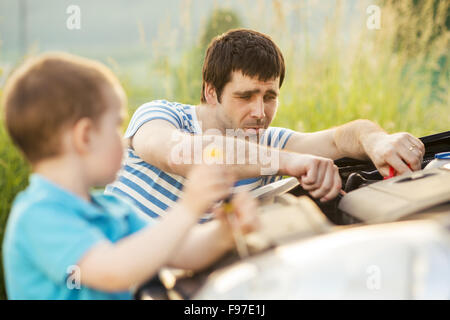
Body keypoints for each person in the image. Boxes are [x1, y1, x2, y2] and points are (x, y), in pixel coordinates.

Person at [1, 52, 258, 300]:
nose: (123, 140)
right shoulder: (39, 216)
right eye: (116, 126)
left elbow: (182, 251)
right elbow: (114, 271)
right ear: (85, 136)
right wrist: (189, 207)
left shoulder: (112, 209)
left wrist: (226, 231)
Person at [106, 28, 425, 219]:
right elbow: (188, 155)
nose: (260, 112)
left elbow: (343, 138)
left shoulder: (265, 143)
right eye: (245, 96)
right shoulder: (159, 116)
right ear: (211, 91)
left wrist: (378, 140)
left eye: (269, 96)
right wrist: (288, 161)